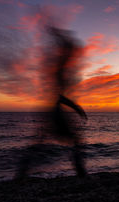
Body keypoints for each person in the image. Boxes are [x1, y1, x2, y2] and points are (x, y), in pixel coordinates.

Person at [15, 25, 87, 179]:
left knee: (40, 140)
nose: (74, 54)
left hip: (52, 110)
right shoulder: (61, 69)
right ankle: (81, 173)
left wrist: (58, 34)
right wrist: (77, 108)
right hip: (56, 111)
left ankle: (22, 172)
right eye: (71, 50)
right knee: (74, 140)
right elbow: (59, 96)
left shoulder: (61, 67)